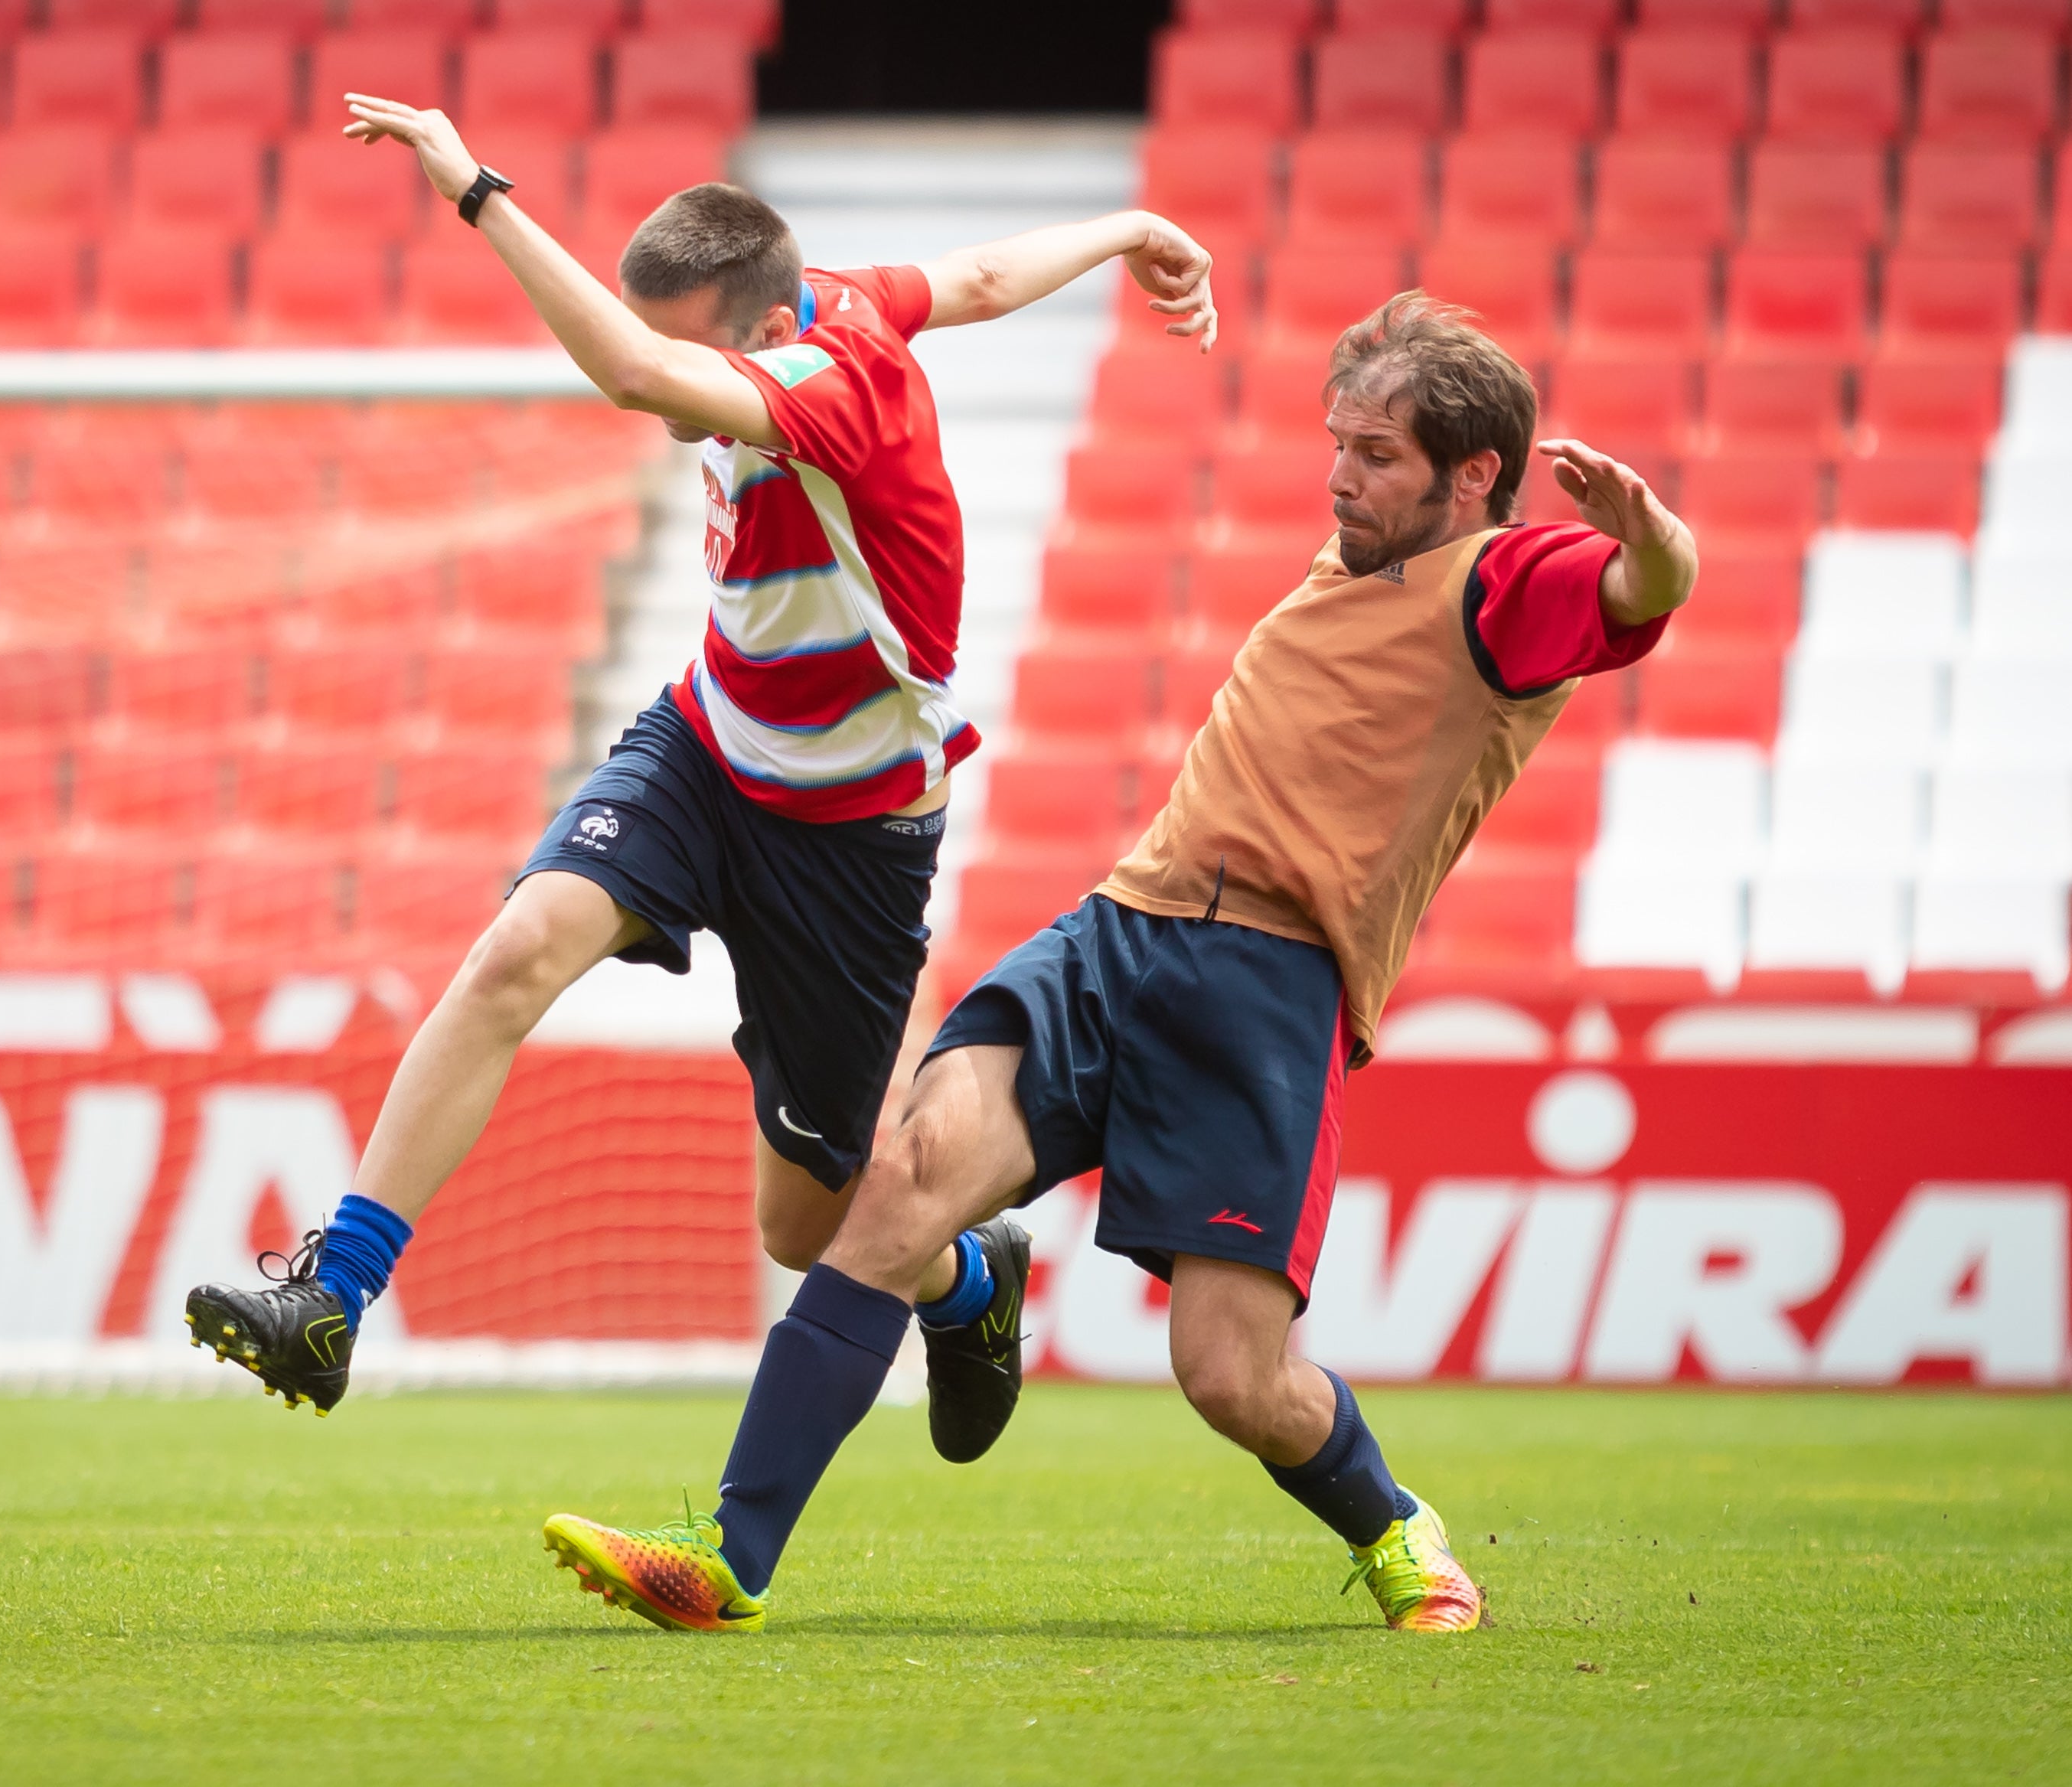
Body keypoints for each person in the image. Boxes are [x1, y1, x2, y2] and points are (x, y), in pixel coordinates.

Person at [540, 293, 1701, 1635]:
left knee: (1228, 1377)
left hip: (1267, 990)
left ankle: (1394, 1525)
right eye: (1340, 443)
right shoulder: (1362, 556)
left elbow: (1635, 594)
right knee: (899, 1186)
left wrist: (1658, 546)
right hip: (1120, 931)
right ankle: (730, 1556)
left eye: (1377, 455)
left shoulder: (1506, 585)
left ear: (1476, 476)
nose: (1341, 473)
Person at [182, 93, 1220, 1453]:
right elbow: (971, 279)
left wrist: (476, 188)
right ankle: (333, 1300)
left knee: (802, 1229)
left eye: (690, 345)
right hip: (710, 743)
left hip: (851, 841)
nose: (667, 371)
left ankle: (970, 1281)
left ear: (769, 335)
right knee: (516, 952)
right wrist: (1132, 228)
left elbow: (630, 375)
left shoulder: (834, 392)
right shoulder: (834, 303)